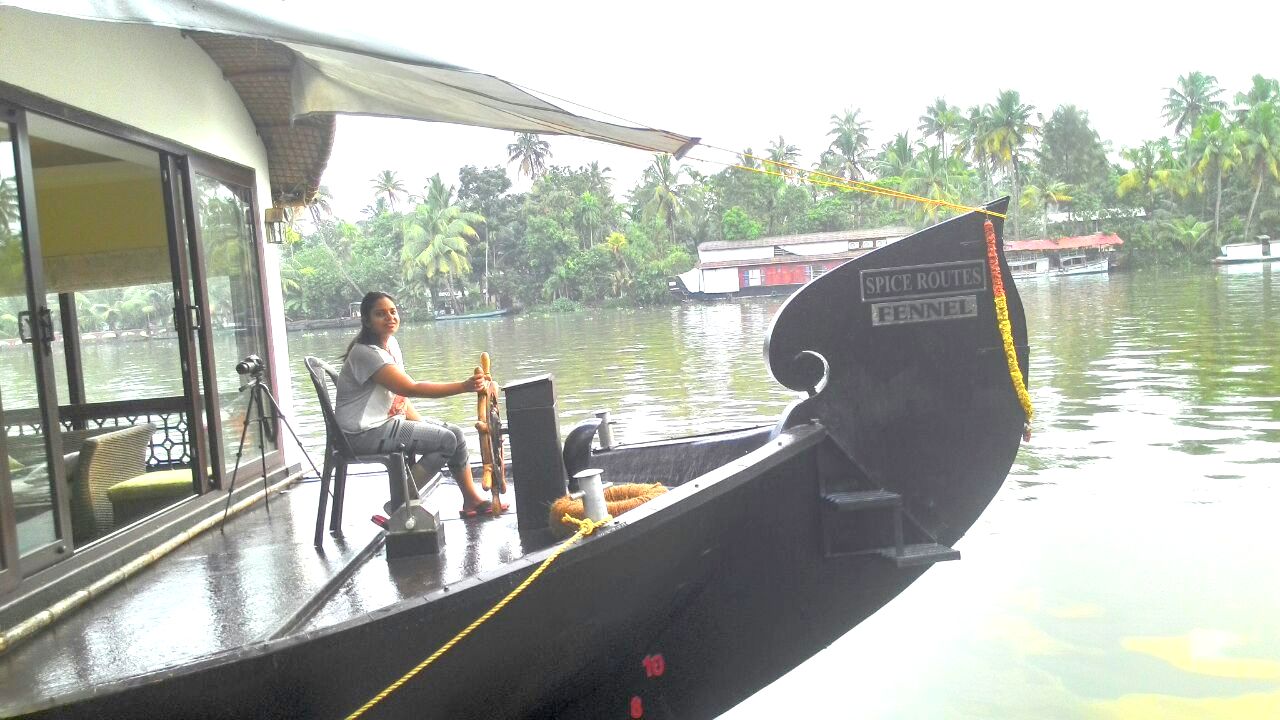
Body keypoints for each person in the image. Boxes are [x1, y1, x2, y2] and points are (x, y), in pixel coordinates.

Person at [334, 291, 503, 518]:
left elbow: (399, 398)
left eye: (393, 312)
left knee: (453, 433)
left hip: (385, 423)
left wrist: (427, 428)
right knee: (446, 441)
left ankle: (471, 499)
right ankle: (399, 503)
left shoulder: (390, 344)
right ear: (366, 320)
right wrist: (464, 386)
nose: (389, 317)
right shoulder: (366, 353)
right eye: (380, 314)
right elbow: (410, 388)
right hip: (361, 434)